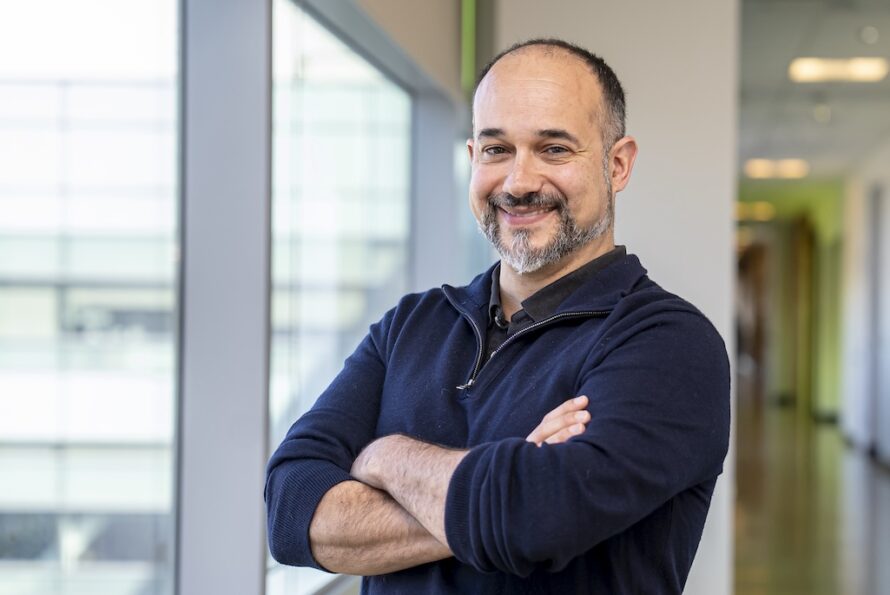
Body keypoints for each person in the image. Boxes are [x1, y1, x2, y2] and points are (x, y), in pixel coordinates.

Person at [265, 38, 730, 594]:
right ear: (472, 160)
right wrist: (498, 484)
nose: (518, 182)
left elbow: (532, 521)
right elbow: (291, 511)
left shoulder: (668, 344)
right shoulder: (410, 325)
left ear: (618, 163)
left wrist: (383, 457)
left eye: (554, 149)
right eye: (496, 149)